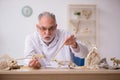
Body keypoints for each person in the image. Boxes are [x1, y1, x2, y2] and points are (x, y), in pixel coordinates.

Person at [24, 11, 89, 69]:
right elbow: (27, 58)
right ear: (38, 27)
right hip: (40, 75)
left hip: (64, 76)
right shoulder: (31, 38)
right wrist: (31, 63)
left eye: (51, 28)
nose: (47, 32)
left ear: (56, 27)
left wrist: (74, 45)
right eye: (43, 28)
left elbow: (85, 54)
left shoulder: (65, 35)